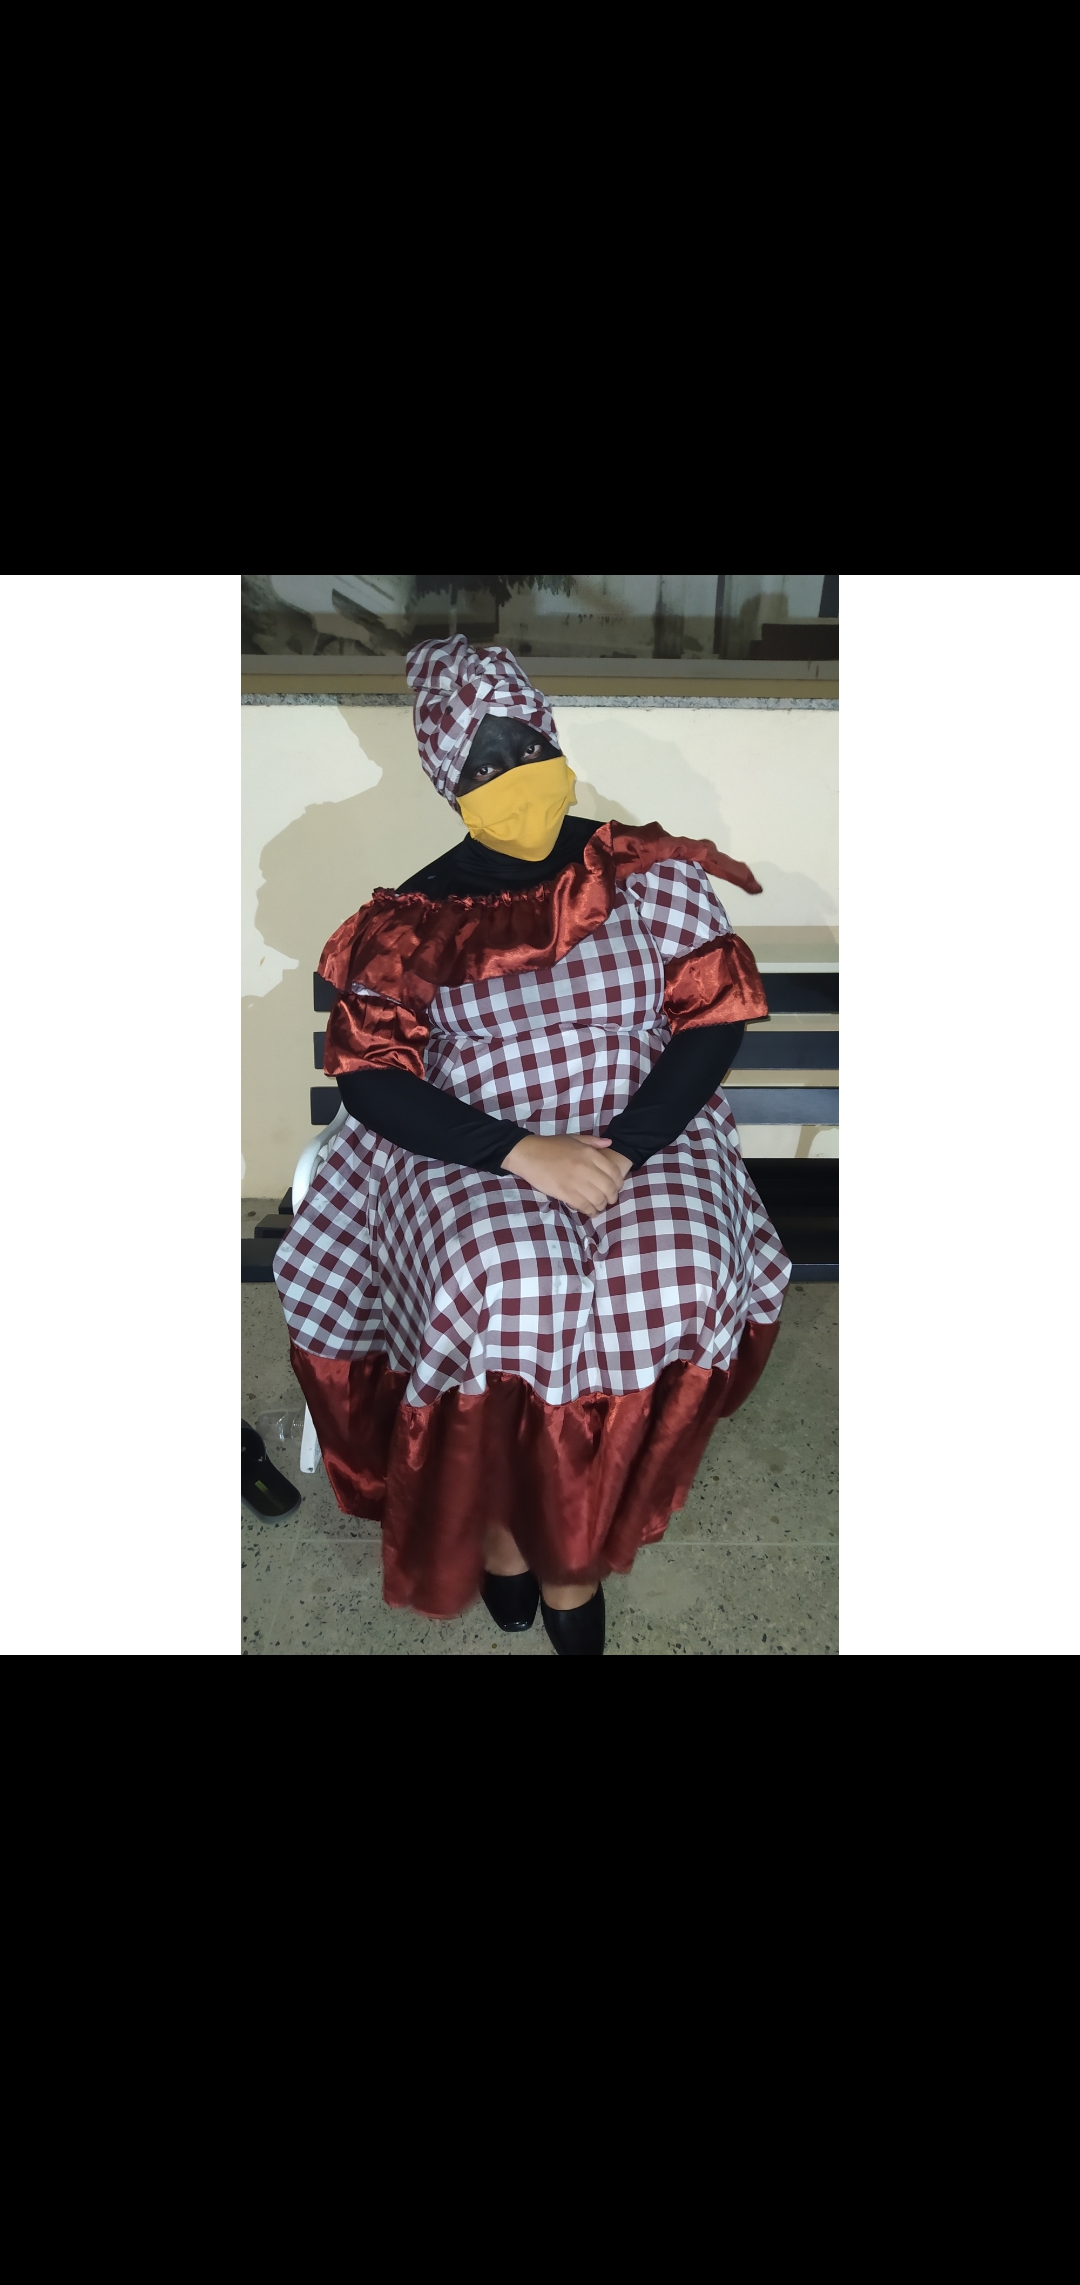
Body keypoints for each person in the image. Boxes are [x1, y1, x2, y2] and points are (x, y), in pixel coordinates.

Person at [274, 637, 791, 1655]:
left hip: (644, 1116)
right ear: (446, 778)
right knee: (502, 1283)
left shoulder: (646, 873)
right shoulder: (412, 921)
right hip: (477, 1132)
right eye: (482, 759)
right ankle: (510, 1536)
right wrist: (522, 1152)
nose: (513, 771)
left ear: (552, 737)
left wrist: (627, 1150)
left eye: (524, 744)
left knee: (678, 1268)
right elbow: (373, 1078)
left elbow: (710, 1018)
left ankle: (573, 1549)